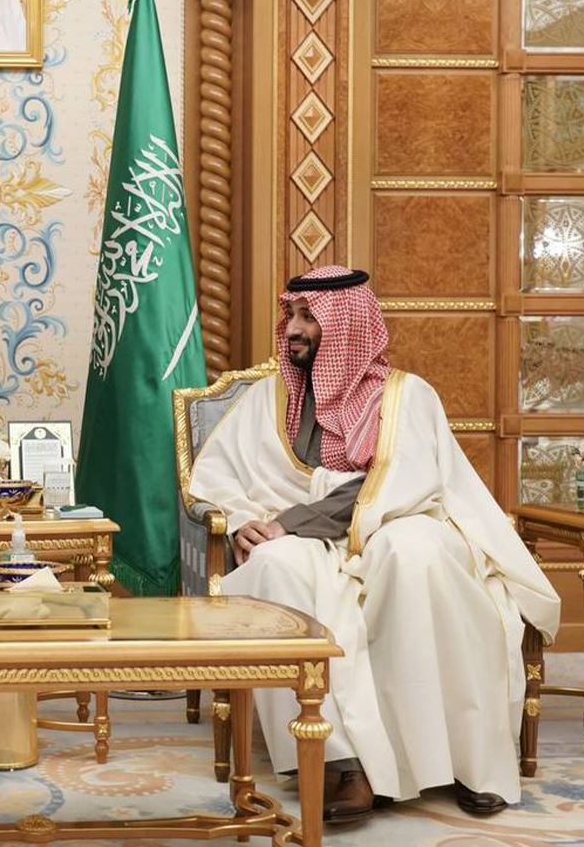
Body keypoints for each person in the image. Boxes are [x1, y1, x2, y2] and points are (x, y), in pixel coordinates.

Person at [188, 265, 559, 824]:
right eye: (291, 315)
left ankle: (467, 761)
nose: (293, 328)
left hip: (395, 520)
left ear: (347, 325)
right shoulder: (268, 397)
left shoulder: (406, 396)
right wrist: (242, 520)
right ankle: (342, 762)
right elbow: (217, 476)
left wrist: (296, 519)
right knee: (271, 567)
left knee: (414, 557)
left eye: (308, 317)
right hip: (301, 535)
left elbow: (404, 481)